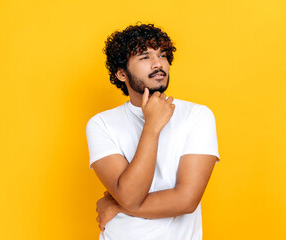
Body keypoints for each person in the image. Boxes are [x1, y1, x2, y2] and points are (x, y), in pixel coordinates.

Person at [86, 23, 220, 240]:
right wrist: (152, 126)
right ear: (121, 73)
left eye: (163, 55)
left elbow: (186, 201)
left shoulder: (197, 115)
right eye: (145, 57)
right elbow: (130, 196)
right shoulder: (101, 124)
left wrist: (116, 205)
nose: (159, 64)